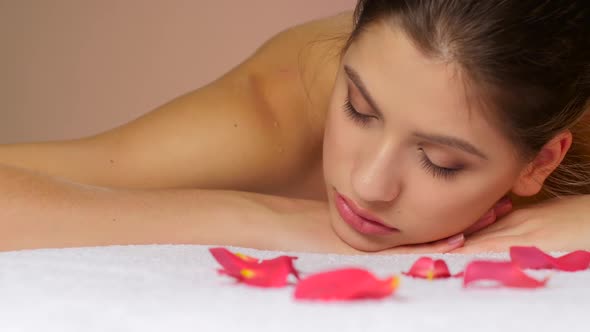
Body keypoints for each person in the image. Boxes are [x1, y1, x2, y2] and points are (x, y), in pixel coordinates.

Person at [0, 0, 588, 254]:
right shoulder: (276, 111)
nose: (368, 184)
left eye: (441, 161)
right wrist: (261, 217)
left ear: (543, 161)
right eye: (358, 108)